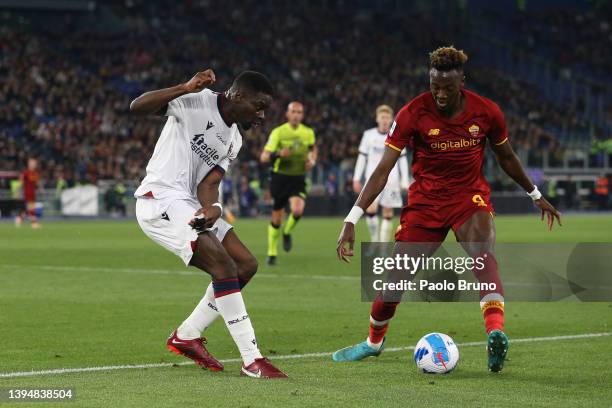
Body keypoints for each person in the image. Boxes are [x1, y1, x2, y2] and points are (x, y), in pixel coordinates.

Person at [333, 46, 561, 372]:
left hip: (469, 198)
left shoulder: (487, 112)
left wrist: (534, 193)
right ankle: (373, 342)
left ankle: (496, 334)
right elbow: (382, 170)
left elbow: (506, 157)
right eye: (434, 86)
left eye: (447, 88)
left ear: (462, 82)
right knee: (393, 283)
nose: (440, 94)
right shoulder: (413, 113)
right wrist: (352, 217)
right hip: (425, 204)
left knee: (483, 252)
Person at [130, 69, 287, 378]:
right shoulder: (195, 100)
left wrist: (213, 207)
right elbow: (137, 107)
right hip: (159, 198)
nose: (262, 115)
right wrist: (183, 86)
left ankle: (187, 334)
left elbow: (209, 184)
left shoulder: (234, 138)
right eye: (259, 106)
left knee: (244, 265)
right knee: (224, 267)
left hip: (187, 202)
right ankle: (252, 359)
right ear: (238, 96)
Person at [260, 101, 317, 265]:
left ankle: (287, 231)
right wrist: (277, 154)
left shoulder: (308, 133)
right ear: (287, 114)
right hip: (280, 178)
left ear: (302, 115)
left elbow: (313, 149)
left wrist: (312, 160)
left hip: (298, 178)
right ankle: (272, 252)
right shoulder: (278, 132)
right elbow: (264, 157)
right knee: (276, 218)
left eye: (299, 112)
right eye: (293, 111)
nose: (296, 115)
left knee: (298, 209)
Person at [353, 105, 410, 241]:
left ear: (391, 119)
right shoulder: (368, 135)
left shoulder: (397, 134)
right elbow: (362, 157)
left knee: (388, 212)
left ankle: (383, 247)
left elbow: (402, 159)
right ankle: (374, 242)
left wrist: (404, 181)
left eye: (387, 117)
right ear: (377, 119)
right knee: (371, 209)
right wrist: (356, 178)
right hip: (372, 178)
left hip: (392, 179)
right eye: (382, 117)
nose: (384, 120)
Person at [16, 158, 41, 229]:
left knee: (28, 209)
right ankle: (33, 223)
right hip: (27, 193)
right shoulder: (26, 173)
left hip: (33, 193)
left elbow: (37, 183)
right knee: (32, 208)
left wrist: (41, 189)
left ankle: (19, 219)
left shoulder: (35, 173)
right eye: (32, 163)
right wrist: (17, 191)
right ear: (29, 164)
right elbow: (21, 182)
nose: (34, 165)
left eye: (35, 163)